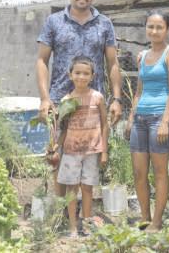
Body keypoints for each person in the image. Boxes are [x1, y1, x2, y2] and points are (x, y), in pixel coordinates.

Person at [36, 0, 123, 196]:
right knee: (58, 154)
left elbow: (113, 62)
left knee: (89, 154)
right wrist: (45, 98)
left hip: (93, 103)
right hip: (60, 99)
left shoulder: (104, 23)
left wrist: (116, 99)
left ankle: (84, 212)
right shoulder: (54, 21)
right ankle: (60, 209)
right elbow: (41, 61)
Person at [125, 10, 169, 232]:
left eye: (159, 27)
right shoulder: (142, 57)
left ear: (166, 29)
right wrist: (131, 116)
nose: (154, 31)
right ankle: (145, 217)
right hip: (140, 119)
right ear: (146, 28)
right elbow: (139, 90)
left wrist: (166, 121)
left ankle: (157, 222)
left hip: (160, 117)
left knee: (160, 172)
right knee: (139, 172)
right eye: (151, 26)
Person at [57, 56, 109, 237]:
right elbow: (62, 127)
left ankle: (87, 225)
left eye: (86, 73)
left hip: (92, 151)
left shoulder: (98, 97)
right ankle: (72, 227)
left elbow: (104, 123)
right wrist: (55, 147)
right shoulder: (66, 100)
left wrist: (104, 151)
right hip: (71, 151)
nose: (81, 76)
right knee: (72, 189)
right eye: (77, 73)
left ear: (92, 76)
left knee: (88, 188)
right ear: (70, 74)